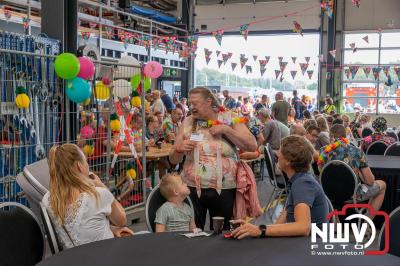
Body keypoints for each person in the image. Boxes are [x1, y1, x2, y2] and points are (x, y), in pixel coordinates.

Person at [169, 87, 256, 230]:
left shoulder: (231, 117)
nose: (191, 107)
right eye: (190, 104)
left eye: (195, 103)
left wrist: (226, 130)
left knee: (222, 232)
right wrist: (179, 149)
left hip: (225, 188)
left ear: (209, 101)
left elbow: (252, 145)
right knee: (193, 231)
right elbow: (173, 160)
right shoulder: (187, 122)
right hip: (190, 187)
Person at [231, 135, 329, 239]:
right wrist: (253, 229)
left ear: (288, 161)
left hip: (308, 248)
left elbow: (303, 227)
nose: (277, 154)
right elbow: (281, 221)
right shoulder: (297, 181)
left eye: (280, 151)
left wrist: (260, 230)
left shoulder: (302, 184)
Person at [42, 144, 133, 249]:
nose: (87, 165)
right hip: (106, 256)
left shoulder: (47, 199)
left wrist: (111, 228)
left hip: (72, 258)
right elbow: (122, 221)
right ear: (79, 166)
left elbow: (82, 228)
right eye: (86, 161)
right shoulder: (98, 195)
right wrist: (102, 186)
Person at [318, 125, 386, 219]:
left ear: (331, 137)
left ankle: (335, 221)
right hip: (352, 195)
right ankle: (367, 222)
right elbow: (370, 182)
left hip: (329, 193)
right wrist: (359, 174)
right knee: (382, 185)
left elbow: (321, 173)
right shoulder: (357, 152)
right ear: (345, 136)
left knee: (331, 187)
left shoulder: (322, 152)